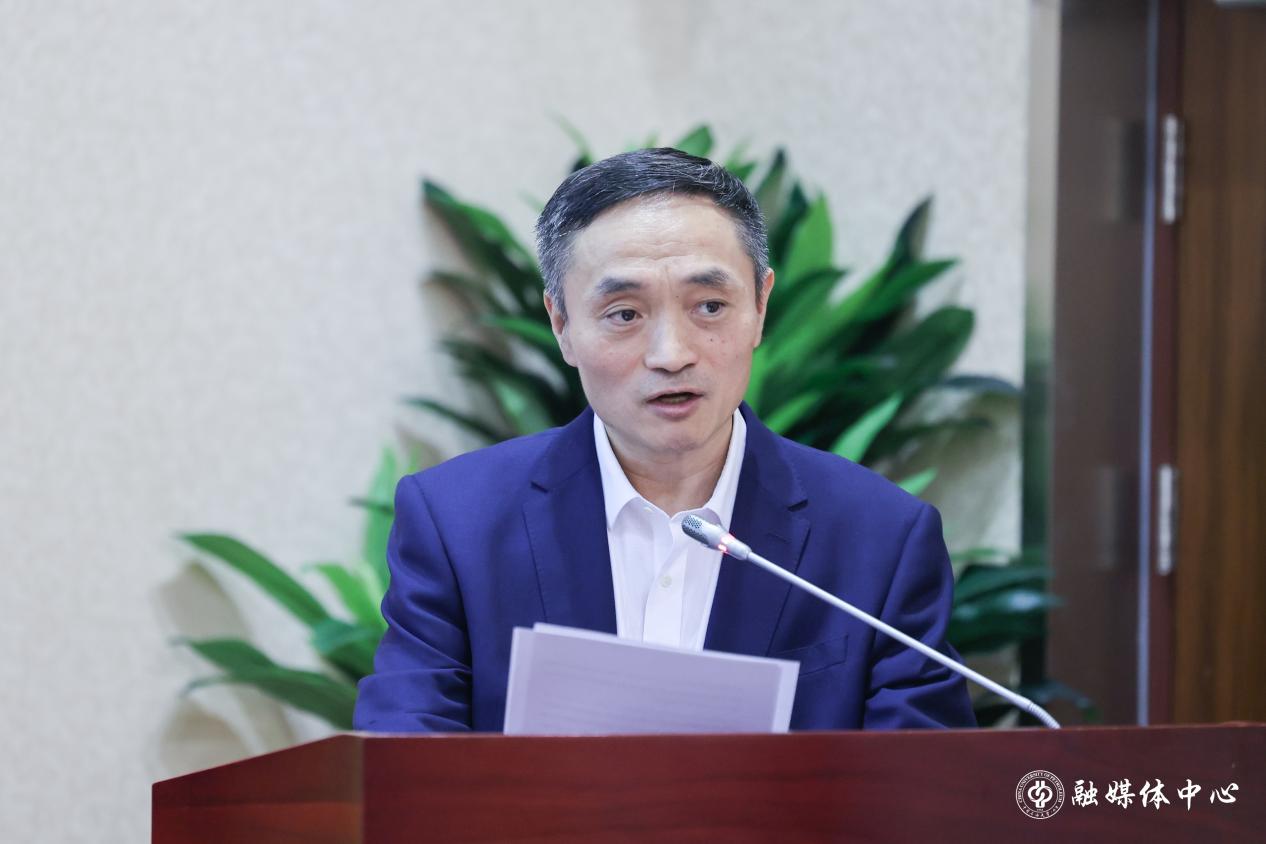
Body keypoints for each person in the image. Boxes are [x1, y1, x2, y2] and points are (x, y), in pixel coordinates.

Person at [354, 148, 975, 732]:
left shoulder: (880, 538)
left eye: (709, 306)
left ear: (760, 306)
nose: (671, 354)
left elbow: (920, 786)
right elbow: (405, 759)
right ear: (562, 325)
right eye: (624, 314)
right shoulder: (457, 524)